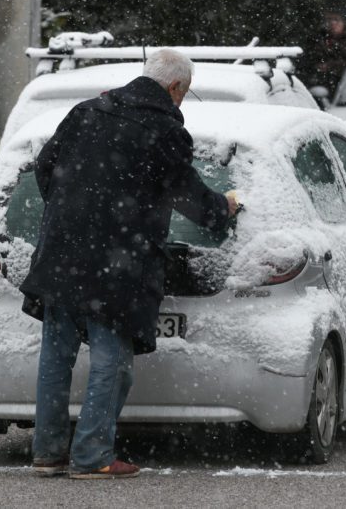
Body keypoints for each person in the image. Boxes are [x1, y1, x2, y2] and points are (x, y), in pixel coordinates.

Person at [19, 49, 238, 479]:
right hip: (117, 263)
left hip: (62, 253)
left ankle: (47, 453)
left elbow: (45, 168)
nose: (181, 102)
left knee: (56, 354)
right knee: (110, 358)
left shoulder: (87, 111)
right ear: (175, 88)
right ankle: (92, 456)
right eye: (184, 94)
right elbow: (186, 193)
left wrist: (71, 216)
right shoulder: (163, 130)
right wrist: (221, 211)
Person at [304, 8, 346, 97]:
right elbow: (310, 59)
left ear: (343, 22)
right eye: (329, 20)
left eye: (336, 20)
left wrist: (330, 66)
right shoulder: (318, 39)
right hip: (320, 84)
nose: (333, 23)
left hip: (345, 84)